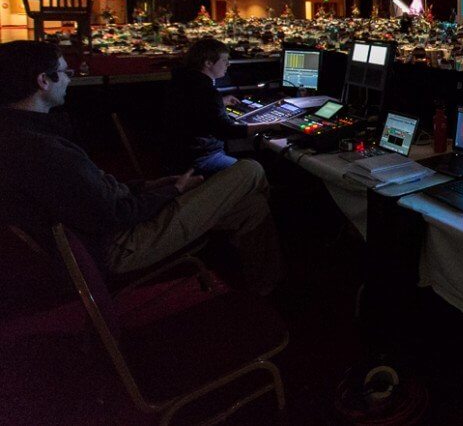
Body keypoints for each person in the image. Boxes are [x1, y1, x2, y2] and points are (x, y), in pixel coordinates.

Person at [0, 41, 282, 294]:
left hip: (117, 223)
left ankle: (262, 287)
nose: (69, 80)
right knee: (250, 169)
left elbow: (93, 196)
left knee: (252, 207)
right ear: (43, 81)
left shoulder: (23, 135)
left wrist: (145, 186)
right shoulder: (45, 150)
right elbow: (116, 213)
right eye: (64, 73)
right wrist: (174, 190)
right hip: (122, 247)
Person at [164, 38, 251, 176]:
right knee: (252, 172)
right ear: (208, 63)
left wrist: (220, 102)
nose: (228, 64)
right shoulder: (207, 92)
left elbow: (194, 108)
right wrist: (271, 124)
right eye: (224, 60)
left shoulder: (183, 81)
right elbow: (226, 131)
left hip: (180, 155)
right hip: (202, 160)